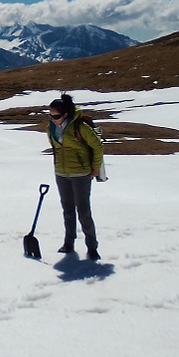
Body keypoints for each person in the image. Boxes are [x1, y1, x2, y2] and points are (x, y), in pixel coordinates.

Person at [46, 93, 104, 261]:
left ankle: (92, 247)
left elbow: (98, 146)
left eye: (55, 116)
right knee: (68, 210)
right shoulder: (50, 127)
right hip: (61, 173)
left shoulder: (80, 126)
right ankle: (68, 243)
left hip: (81, 173)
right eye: (49, 115)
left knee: (84, 211)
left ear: (65, 114)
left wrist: (94, 168)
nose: (52, 118)